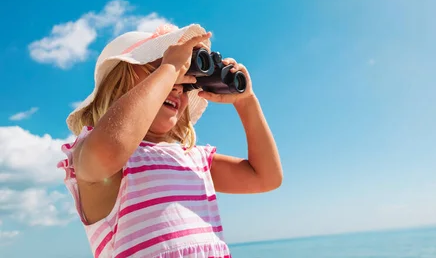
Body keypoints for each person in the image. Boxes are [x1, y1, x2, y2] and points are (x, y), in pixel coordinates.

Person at [57, 23, 283, 258]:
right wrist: (170, 67)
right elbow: (111, 148)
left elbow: (265, 177)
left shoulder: (193, 159)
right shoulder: (99, 153)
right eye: (158, 72)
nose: (177, 87)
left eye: (186, 86)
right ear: (117, 83)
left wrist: (246, 102)